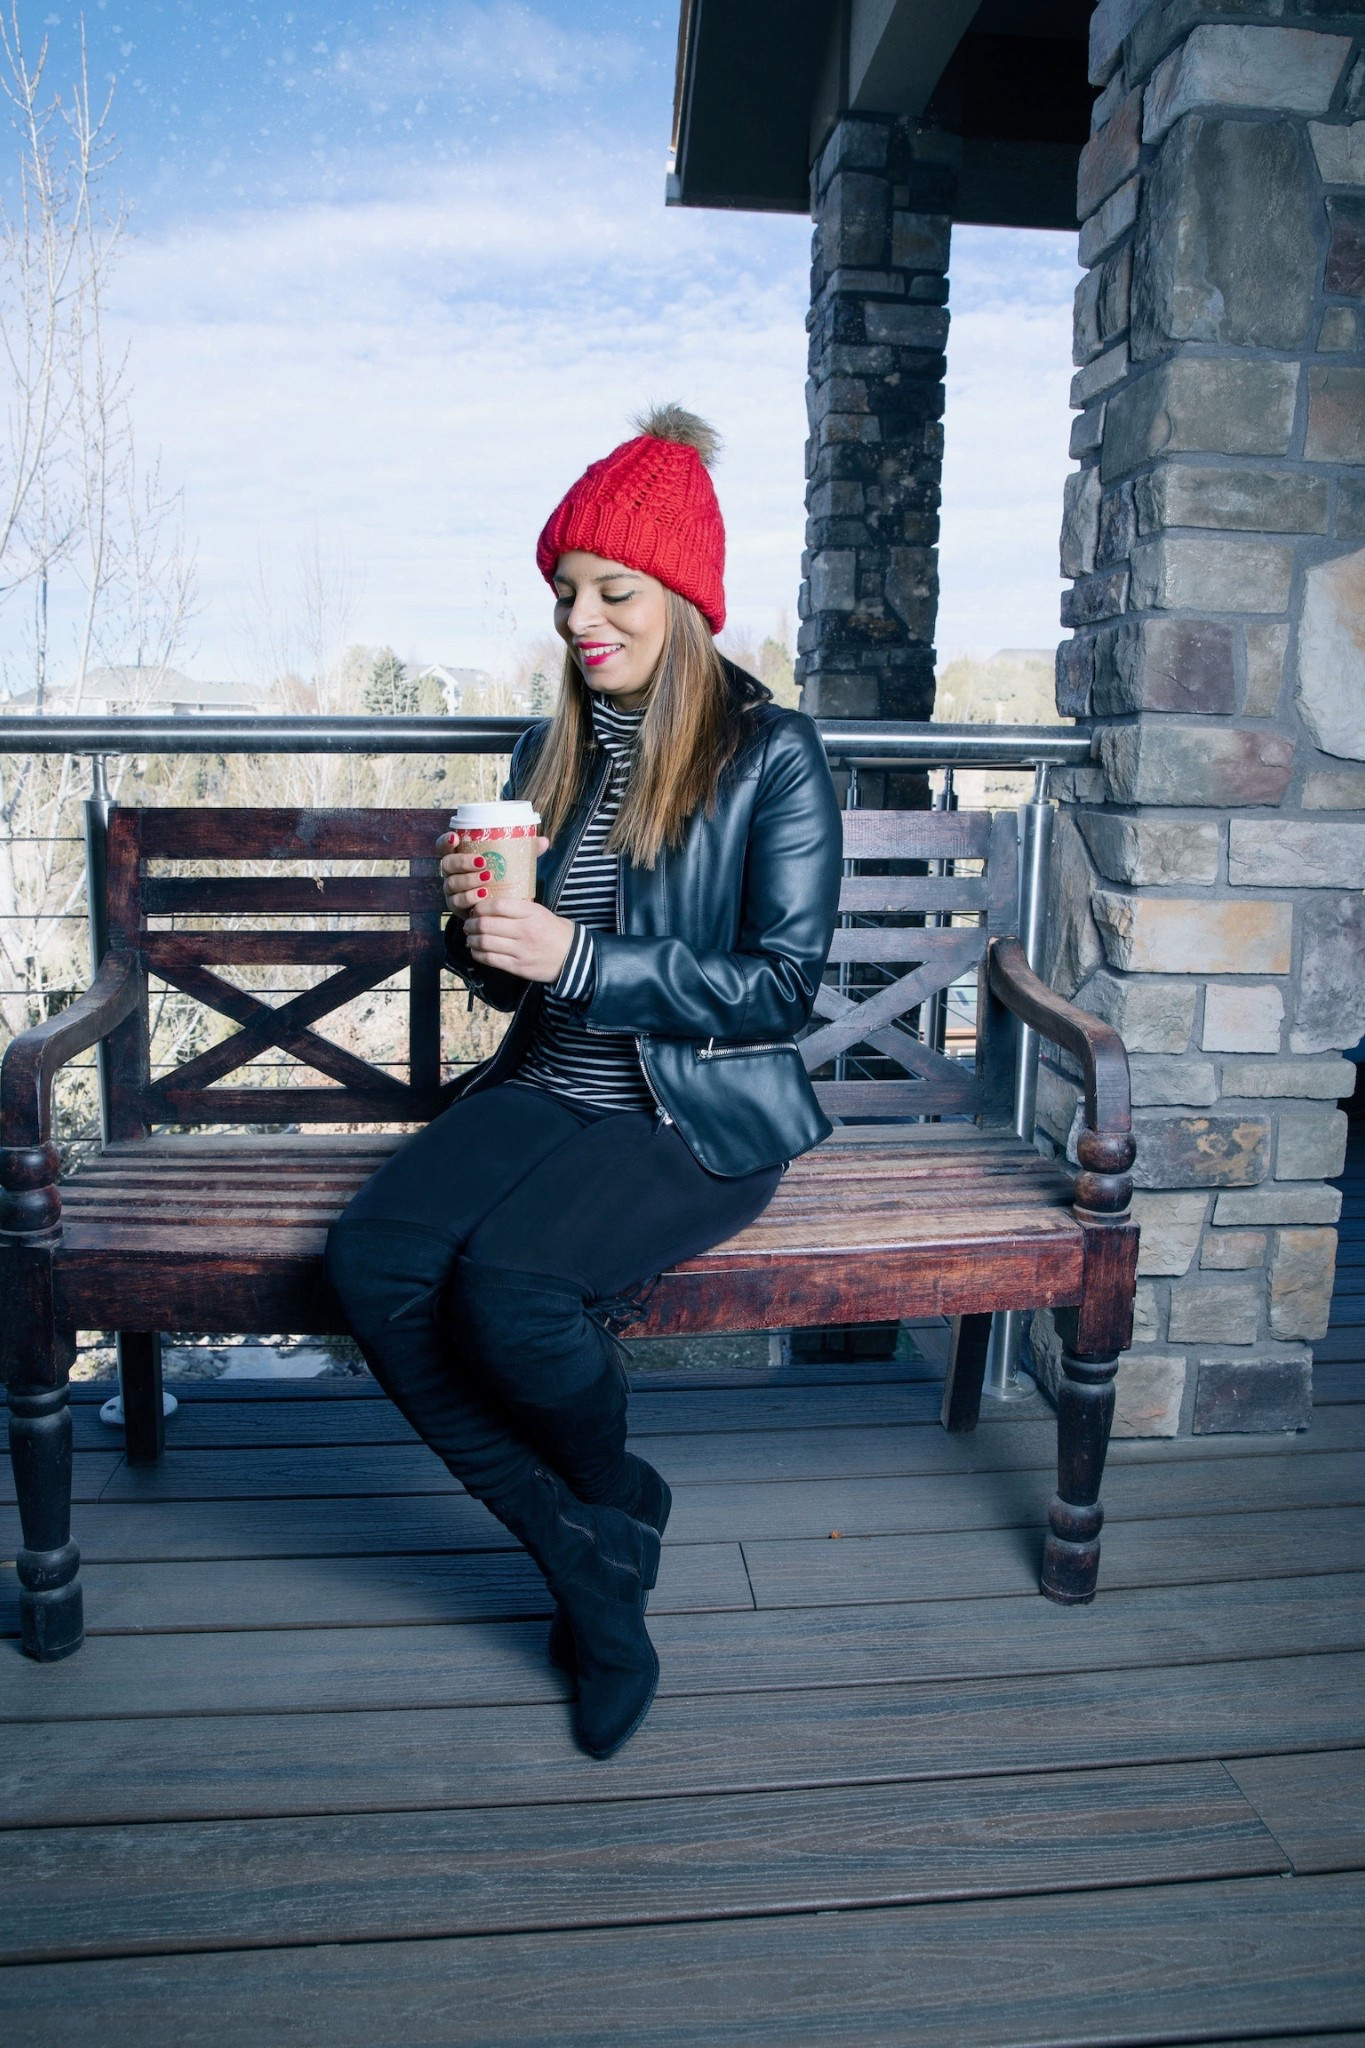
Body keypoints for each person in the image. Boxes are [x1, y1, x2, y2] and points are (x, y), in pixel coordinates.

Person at [326, 406, 842, 1759]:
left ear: (681, 601)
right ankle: (595, 1533)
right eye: (564, 593)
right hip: (548, 1083)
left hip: (691, 1108)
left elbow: (779, 989)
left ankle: (600, 1568)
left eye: (610, 592)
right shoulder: (549, 754)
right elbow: (521, 983)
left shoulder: (771, 757)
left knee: (510, 1288)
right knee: (372, 1258)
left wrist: (579, 952)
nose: (579, 621)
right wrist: (480, 934)